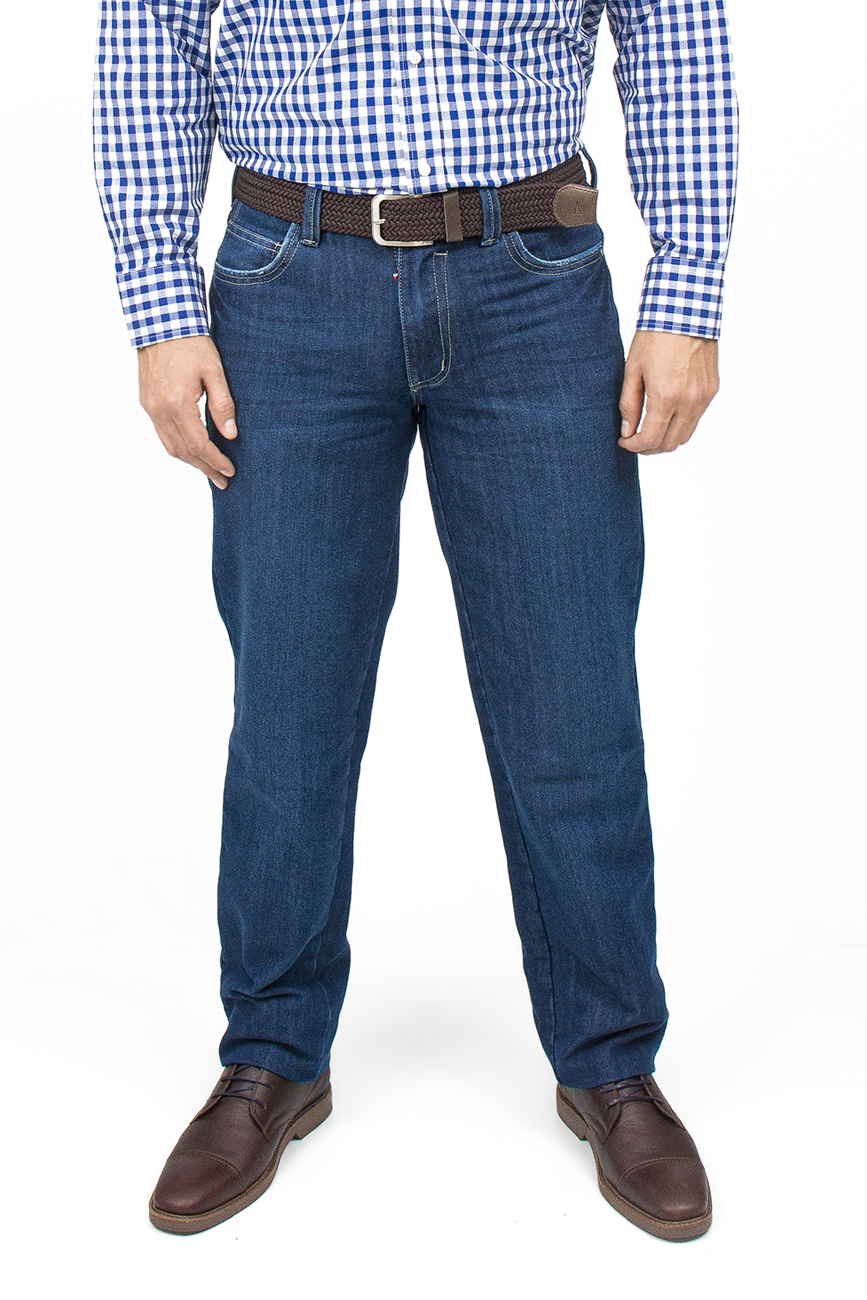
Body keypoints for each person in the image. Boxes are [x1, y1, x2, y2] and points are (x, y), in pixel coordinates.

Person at [93, 0, 737, 1242]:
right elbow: (150, 31)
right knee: (289, 702)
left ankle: (610, 1059)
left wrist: (690, 286)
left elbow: (672, 24)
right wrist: (160, 308)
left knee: (572, 703)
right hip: (288, 280)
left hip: (534, 275)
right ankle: (272, 1051)